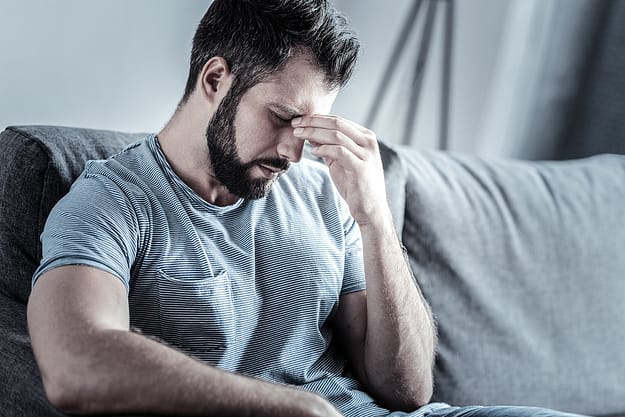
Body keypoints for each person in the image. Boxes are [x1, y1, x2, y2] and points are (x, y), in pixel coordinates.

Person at [27, 1, 586, 417]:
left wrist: (375, 220)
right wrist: (295, 409)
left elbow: (410, 391)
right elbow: (77, 365)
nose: (296, 152)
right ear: (215, 79)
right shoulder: (114, 202)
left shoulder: (321, 195)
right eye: (281, 117)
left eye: (309, 127)